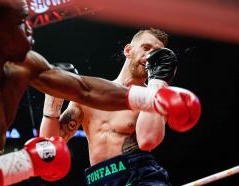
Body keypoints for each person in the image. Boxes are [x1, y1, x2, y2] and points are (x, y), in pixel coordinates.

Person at [0, 0, 200, 184]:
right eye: (22, 22)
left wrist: (152, 96)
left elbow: (85, 89)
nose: (30, 29)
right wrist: (25, 162)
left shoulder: (28, 64)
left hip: (137, 173)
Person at [40, 28, 198, 185]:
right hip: (98, 179)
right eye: (146, 48)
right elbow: (50, 147)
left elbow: (147, 140)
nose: (150, 56)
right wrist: (53, 98)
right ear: (128, 50)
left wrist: (158, 82)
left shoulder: (156, 95)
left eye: (157, 53)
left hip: (139, 175)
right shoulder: (92, 93)